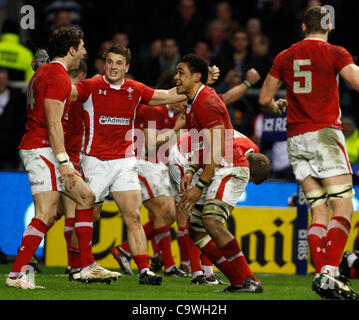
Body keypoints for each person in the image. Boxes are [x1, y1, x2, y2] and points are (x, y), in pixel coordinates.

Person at [70, 44, 219, 285]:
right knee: (91, 214)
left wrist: (200, 85)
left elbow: (170, 95)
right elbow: (63, 93)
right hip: (95, 161)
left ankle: (144, 269)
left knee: (133, 215)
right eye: (110, 62)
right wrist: (44, 73)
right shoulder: (91, 86)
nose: (114, 67)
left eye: (119, 63)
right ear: (104, 64)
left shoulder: (135, 89)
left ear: (127, 67)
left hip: (124, 161)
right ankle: (77, 264)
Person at [6, 28, 120, 290]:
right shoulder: (56, 74)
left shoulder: (46, 72)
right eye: (81, 47)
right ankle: (16, 274)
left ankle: (86, 266)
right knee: (45, 213)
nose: (84, 52)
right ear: (71, 50)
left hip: (41, 147)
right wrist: (64, 161)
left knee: (86, 197)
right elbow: (54, 122)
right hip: (42, 148)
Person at [258, 6, 359, 300]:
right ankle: (329, 272)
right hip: (325, 134)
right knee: (343, 207)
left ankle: (322, 274)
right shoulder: (336, 52)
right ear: (329, 28)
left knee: (319, 209)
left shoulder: (285, 55)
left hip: (296, 139)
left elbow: (265, 98)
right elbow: (355, 81)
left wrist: (277, 105)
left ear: (303, 27)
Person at [174, 53, 270, 293]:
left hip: (231, 166)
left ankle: (249, 280)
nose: (176, 77)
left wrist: (198, 186)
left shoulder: (207, 102)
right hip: (217, 166)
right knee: (195, 229)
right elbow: (201, 145)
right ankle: (238, 280)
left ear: (197, 77)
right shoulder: (194, 102)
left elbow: (216, 150)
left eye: (181, 72)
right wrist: (191, 170)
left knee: (211, 220)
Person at [0, 68, 26, 170]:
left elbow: (22, 124)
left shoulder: (17, 98)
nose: (1, 82)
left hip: (9, 153)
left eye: (3, 79)